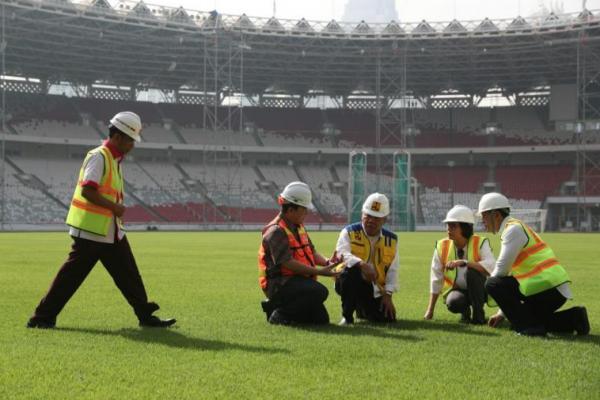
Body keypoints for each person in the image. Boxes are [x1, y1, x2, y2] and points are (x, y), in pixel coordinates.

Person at [27, 112, 176, 329]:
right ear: (117, 137)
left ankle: (145, 314)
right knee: (70, 278)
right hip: (90, 232)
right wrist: (115, 207)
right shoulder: (99, 156)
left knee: (128, 273)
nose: (133, 145)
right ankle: (41, 318)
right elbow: (88, 190)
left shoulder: (113, 160)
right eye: (130, 140)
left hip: (109, 230)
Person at [479, 192, 589, 336]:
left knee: (492, 284)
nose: (483, 221)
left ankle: (528, 329)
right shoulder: (514, 228)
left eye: (484, 216)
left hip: (548, 288)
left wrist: (484, 293)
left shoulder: (512, 230)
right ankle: (575, 318)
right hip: (551, 287)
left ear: (496, 215)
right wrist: (502, 313)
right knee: (528, 319)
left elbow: (501, 270)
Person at [258, 181, 339, 325]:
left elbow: (311, 251)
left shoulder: (298, 226)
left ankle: (276, 309)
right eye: (304, 209)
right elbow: (287, 263)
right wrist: (320, 271)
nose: (307, 213)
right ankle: (279, 314)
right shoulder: (276, 231)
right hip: (279, 284)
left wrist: (328, 263)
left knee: (321, 321)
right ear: (290, 210)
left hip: (297, 282)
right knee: (320, 291)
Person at [334, 193, 399, 325]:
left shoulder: (391, 240)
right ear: (362, 213)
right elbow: (342, 253)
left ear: (384, 220)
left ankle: (361, 308)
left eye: (376, 218)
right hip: (346, 281)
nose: (370, 220)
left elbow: (393, 270)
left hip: (374, 287)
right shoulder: (349, 232)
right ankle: (347, 317)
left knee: (387, 319)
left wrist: (387, 295)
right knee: (352, 271)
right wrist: (361, 264)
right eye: (368, 215)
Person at [423, 205, 495, 324]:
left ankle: (478, 317)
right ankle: (465, 313)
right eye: (448, 225)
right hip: (458, 290)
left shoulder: (480, 242)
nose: (448, 229)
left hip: (481, 290)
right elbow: (436, 279)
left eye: (453, 226)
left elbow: (491, 266)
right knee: (453, 302)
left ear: (465, 227)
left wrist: (465, 263)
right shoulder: (442, 246)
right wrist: (430, 310)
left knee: (472, 273)